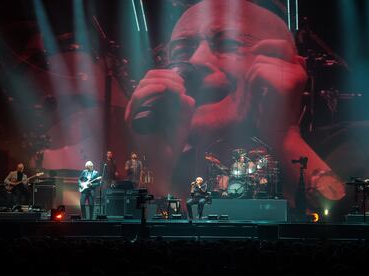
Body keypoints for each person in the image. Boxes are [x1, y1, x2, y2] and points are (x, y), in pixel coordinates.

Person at [124, 0, 345, 216]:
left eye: (228, 44)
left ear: (289, 66)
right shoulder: (170, 161)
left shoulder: (354, 143)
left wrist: (285, 136)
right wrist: (157, 168)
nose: (197, 60)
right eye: (182, 50)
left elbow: (350, 227)